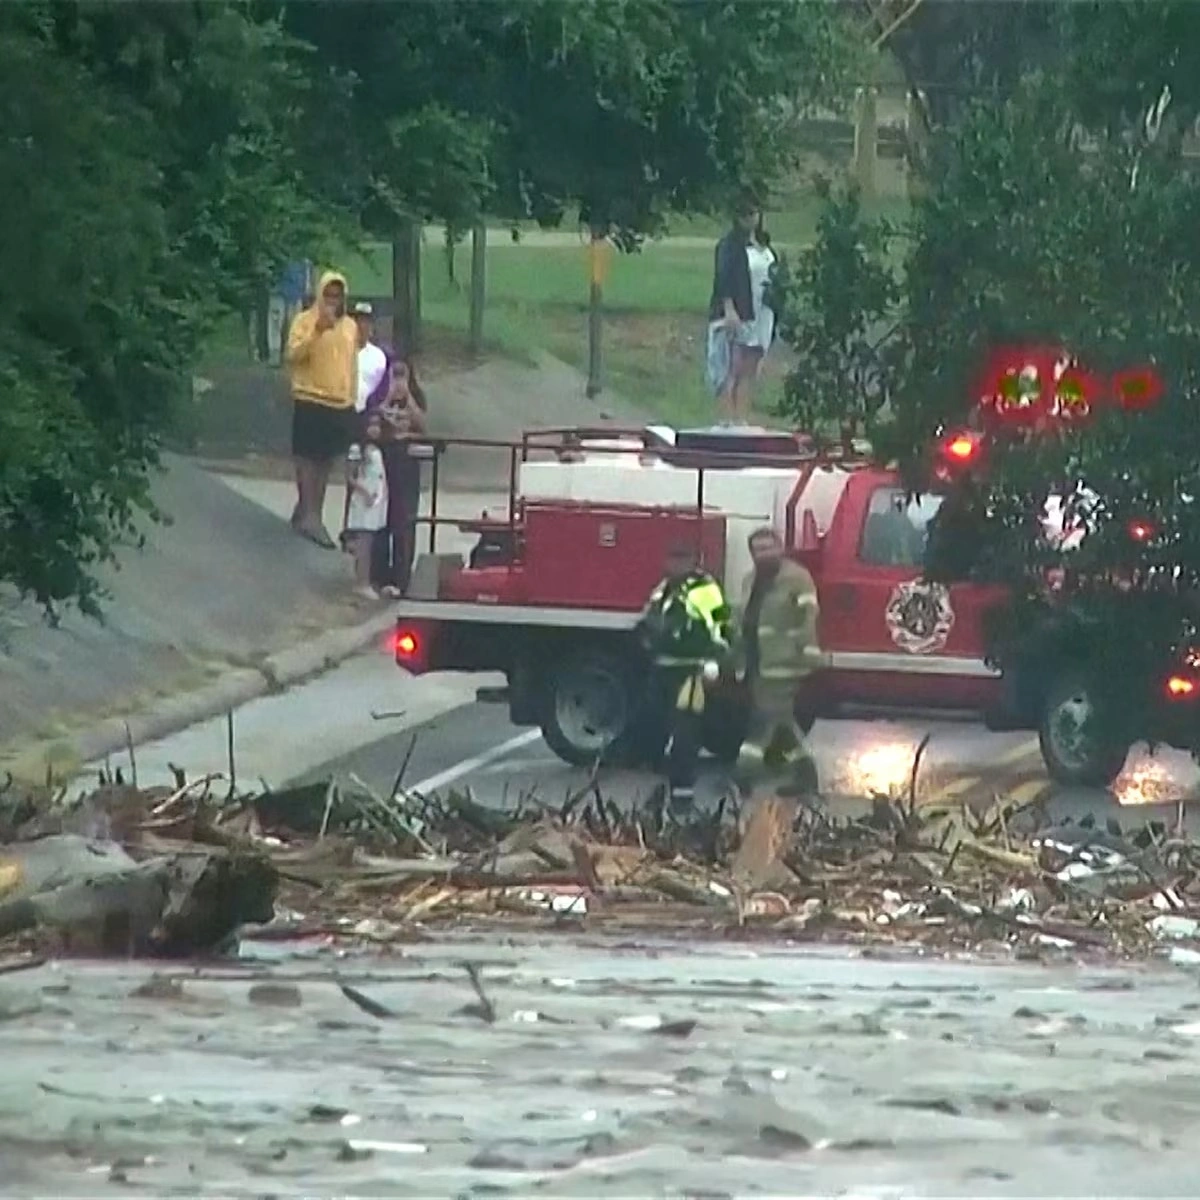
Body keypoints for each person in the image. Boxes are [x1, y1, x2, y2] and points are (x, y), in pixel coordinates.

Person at [731, 527, 825, 796]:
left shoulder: (796, 578)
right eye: (758, 550)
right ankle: (806, 777)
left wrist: (808, 655)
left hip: (785, 663)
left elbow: (809, 615)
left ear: (781, 548)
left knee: (762, 721)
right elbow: (742, 617)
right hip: (756, 662)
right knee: (783, 723)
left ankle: (743, 775)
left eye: (769, 548)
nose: (764, 554)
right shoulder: (750, 580)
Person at [636, 544, 733, 797]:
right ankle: (663, 778)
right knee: (657, 722)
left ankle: (682, 787)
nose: (676, 564)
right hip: (663, 667)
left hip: (691, 671)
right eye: (672, 557)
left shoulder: (704, 589)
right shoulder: (664, 588)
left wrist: (715, 661)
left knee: (685, 728)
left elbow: (720, 626)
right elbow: (651, 618)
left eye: (682, 557)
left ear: (694, 560)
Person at [285, 270, 358, 549]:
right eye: (328, 295)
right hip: (310, 398)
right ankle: (309, 515)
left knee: (326, 460)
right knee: (306, 458)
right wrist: (318, 331)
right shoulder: (305, 321)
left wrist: (351, 398)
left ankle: (310, 510)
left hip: (338, 402)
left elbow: (351, 366)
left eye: (337, 296)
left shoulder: (350, 326)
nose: (332, 301)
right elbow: (292, 354)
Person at [706, 190, 779, 425]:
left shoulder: (764, 246)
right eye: (744, 214)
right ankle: (726, 419)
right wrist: (729, 309)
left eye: (753, 213)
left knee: (750, 368)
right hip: (739, 311)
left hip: (762, 312)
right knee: (732, 368)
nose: (750, 219)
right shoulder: (730, 245)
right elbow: (723, 277)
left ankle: (742, 419)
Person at [370, 354, 429, 596]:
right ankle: (379, 574)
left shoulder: (417, 397)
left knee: (404, 519)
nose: (398, 381)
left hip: (407, 462)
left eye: (403, 375)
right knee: (382, 517)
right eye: (395, 375)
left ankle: (401, 576)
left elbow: (423, 426)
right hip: (384, 459)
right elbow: (372, 423)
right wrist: (387, 397)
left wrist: (409, 400)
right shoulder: (378, 394)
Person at [342, 413, 389, 600]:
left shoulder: (376, 449)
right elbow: (350, 476)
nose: (375, 429)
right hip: (364, 500)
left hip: (376, 500)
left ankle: (366, 580)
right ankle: (361, 582)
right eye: (371, 425)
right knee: (364, 543)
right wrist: (365, 492)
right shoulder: (357, 449)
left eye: (378, 425)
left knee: (370, 542)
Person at [353, 301, 389, 414]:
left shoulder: (379, 356)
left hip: (369, 413)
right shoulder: (340, 351)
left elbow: (383, 390)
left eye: (366, 322)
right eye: (357, 321)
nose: (361, 326)